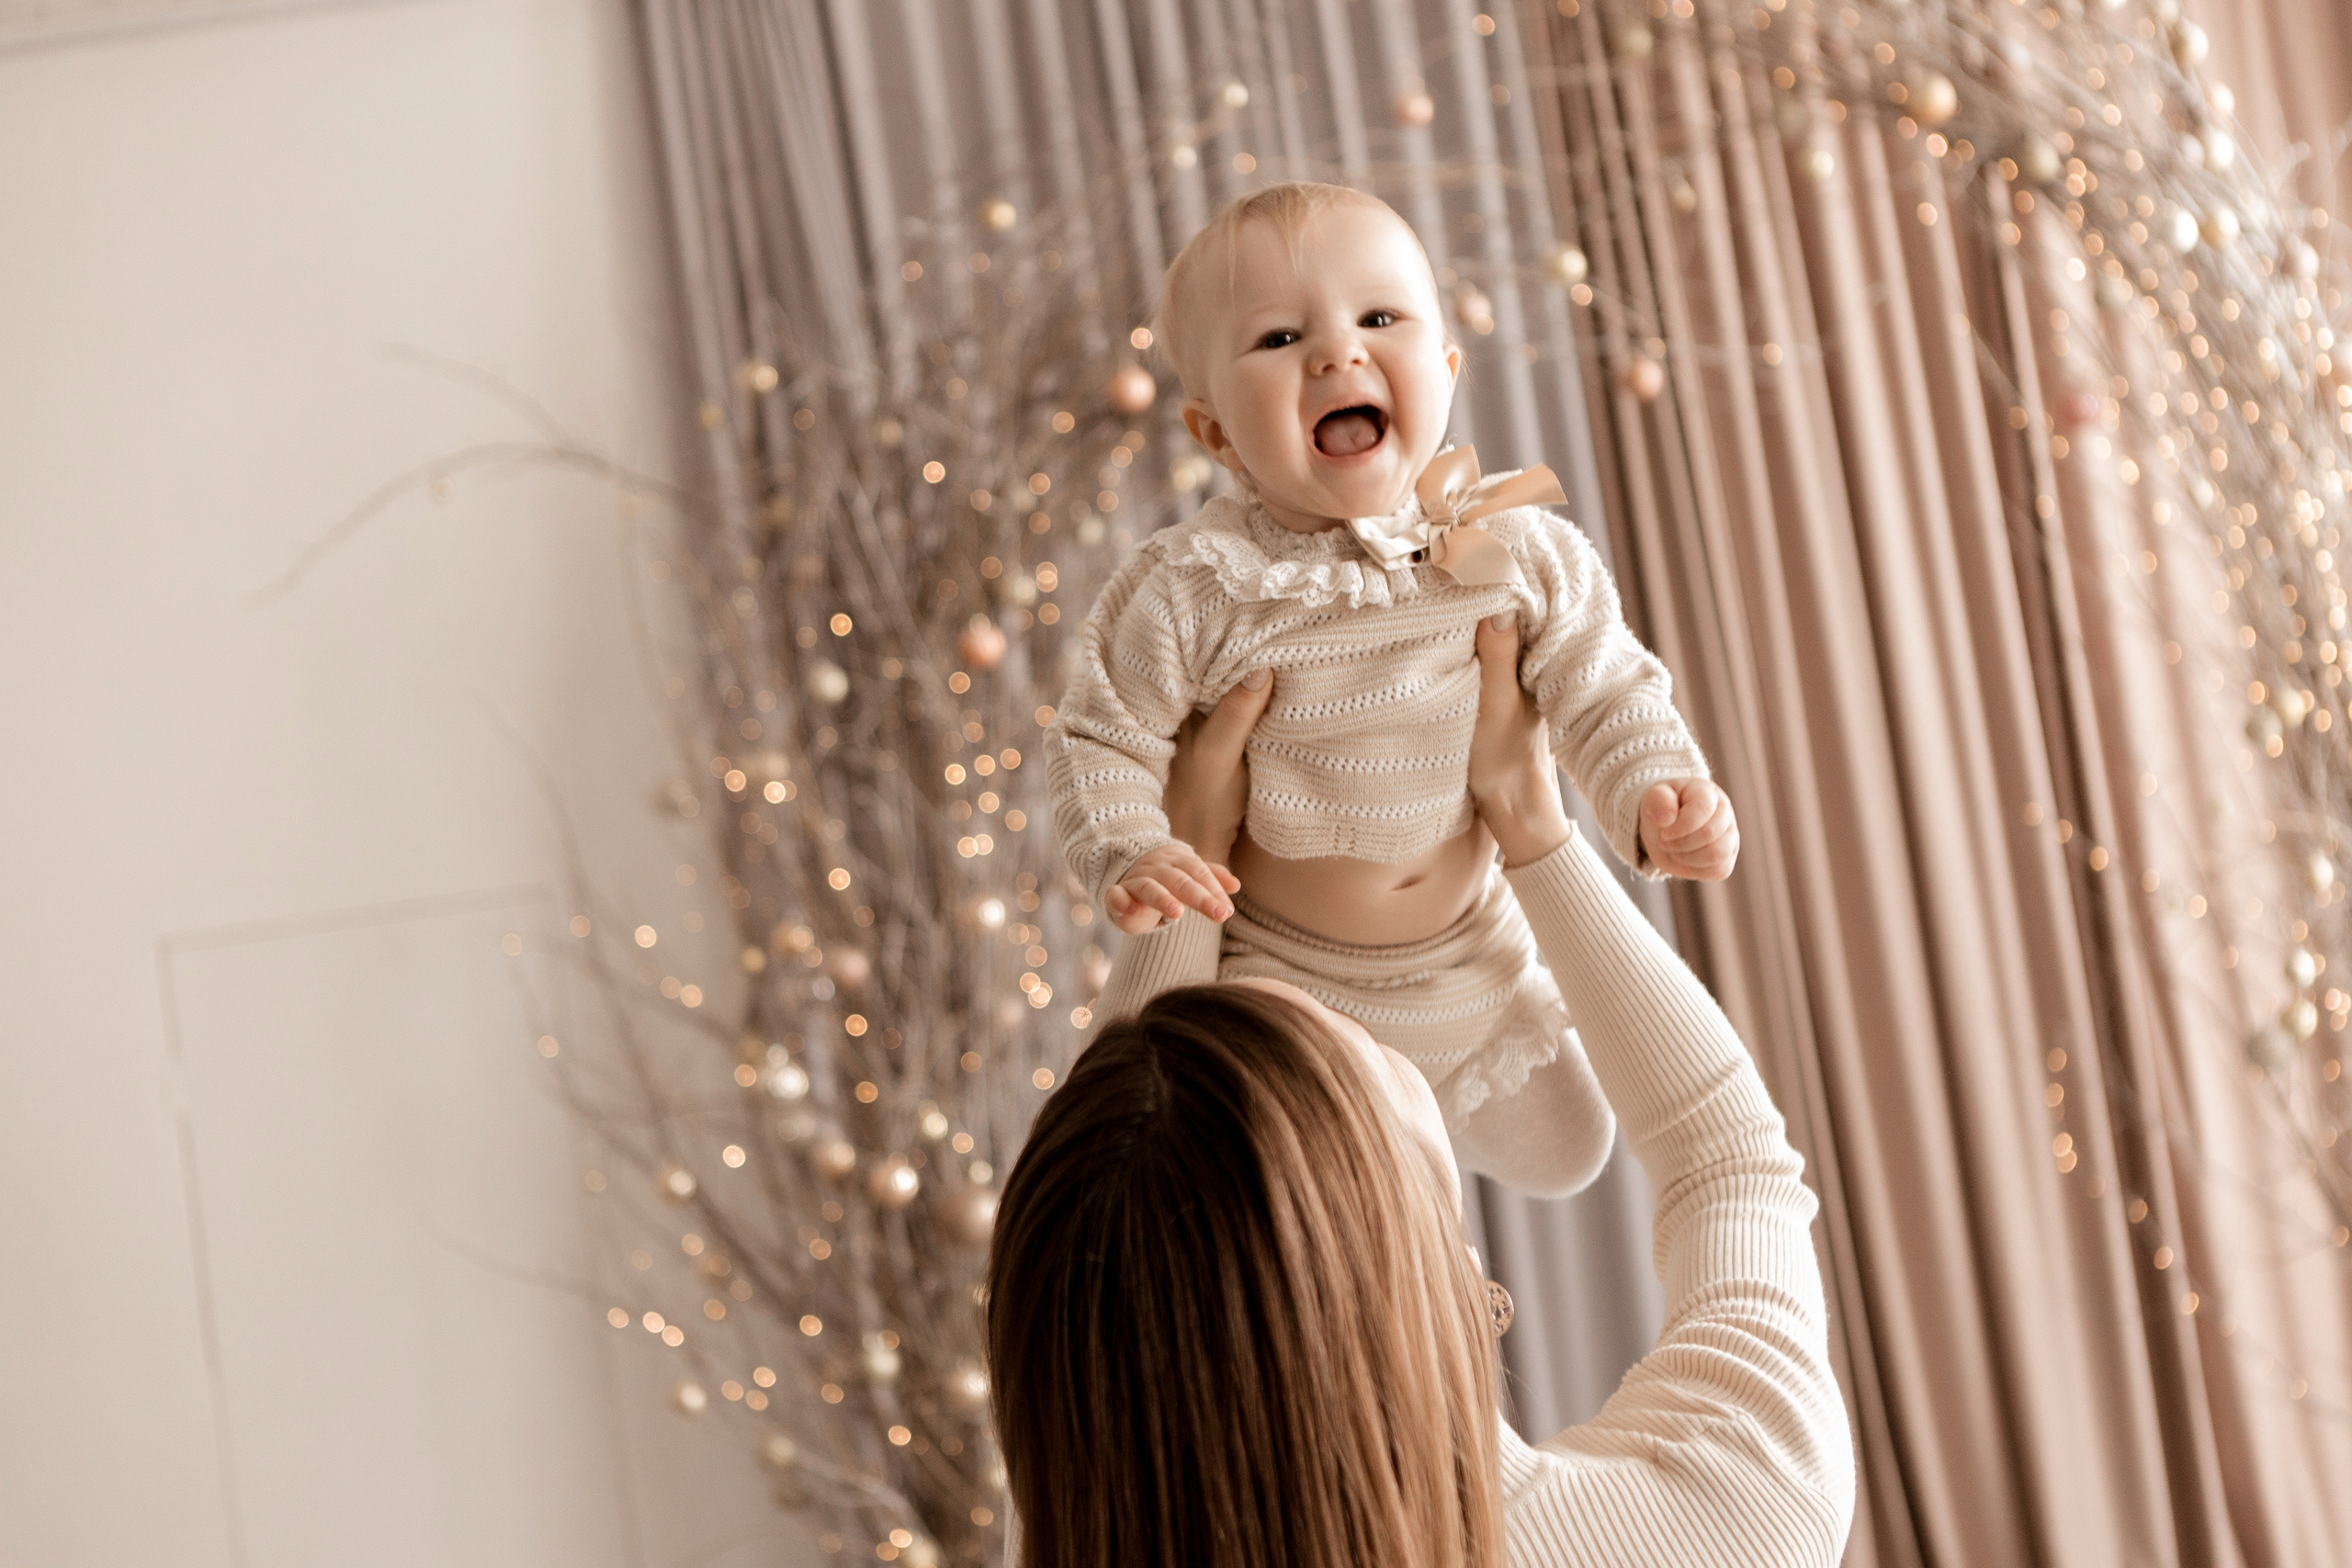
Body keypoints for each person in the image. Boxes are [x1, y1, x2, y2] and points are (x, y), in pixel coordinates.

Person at [990, 615, 1853, 1566]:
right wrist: (1533, 825)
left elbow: (1100, 1269)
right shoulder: (1729, 1516)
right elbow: (1728, 1162)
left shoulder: (1074, 1522)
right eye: (1358, 1057)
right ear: (1413, 1252)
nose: (1358, 1015)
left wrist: (1189, 862)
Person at [1043, 182, 1736, 1198]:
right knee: (1344, 1209)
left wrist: (1655, 791)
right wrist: (1134, 849)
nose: (1335, 355)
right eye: (1278, 338)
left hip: (1477, 971)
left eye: (1378, 318)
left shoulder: (1514, 545)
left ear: (1446, 372)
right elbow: (1102, 735)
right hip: (1292, 986)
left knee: (1573, 1151)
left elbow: (1605, 688)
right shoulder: (1196, 586)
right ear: (1215, 434)